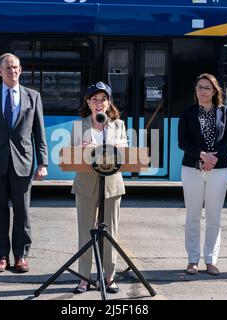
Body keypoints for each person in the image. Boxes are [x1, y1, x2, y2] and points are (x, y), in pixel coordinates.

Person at [0, 53, 48, 273]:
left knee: (22, 212)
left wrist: (42, 163)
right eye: (8, 68)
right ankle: (2, 256)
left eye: (16, 68)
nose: (12, 71)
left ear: (20, 70)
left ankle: (21, 256)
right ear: (0, 71)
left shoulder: (33, 96)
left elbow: (39, 133)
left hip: (23, 163)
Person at [70, 82, 127, 294]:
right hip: (85, 185)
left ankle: (109, 277)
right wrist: (81, 149)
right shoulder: (80, 125)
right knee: (85, 233)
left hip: (111, 185)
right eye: (94, 99)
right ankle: (84, 278)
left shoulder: (118, 125)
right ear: (88, 102)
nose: (99, 103)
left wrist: (100, 148)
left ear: (109, 102)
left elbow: (124, 150)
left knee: (110, 233)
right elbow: (71, 154)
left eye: (103, 99)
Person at [178, 73, 227, 276]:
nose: (202, 91)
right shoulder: (187, 113)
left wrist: (214, 158)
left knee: (214, 216)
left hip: (218, 170)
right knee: (192, 215)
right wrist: (202, 155)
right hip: (192, 169)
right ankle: (193, 260)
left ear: (214, 91)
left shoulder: (225, 112)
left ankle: (211, 260)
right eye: (199, 87)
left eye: (207, 88)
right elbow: (182, 142)